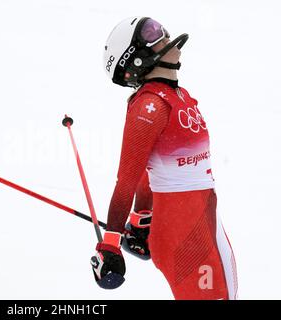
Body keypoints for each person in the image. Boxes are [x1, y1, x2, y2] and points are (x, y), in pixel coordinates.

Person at [90, 16, 238, 300]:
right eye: (152, 33)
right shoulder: (150, 105)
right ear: (135, 57)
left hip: (201, 220)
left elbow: (151, 165)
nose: (165, 35)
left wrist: (143, 215)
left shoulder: (178, 96)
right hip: (186, 233)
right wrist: (110, 245)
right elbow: (127, 181)